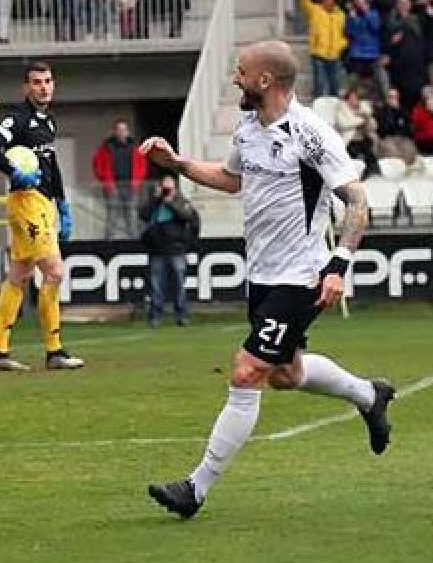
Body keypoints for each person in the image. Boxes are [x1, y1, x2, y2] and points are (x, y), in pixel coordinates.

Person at [140, 40, 396, 519]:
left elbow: (357, 202)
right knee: (285, 374)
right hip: (261, 273)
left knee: (246, 371)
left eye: (241, 72)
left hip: (302, 275)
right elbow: (231, 179)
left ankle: (195, 489)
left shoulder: (310, 133)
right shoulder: (247, 128)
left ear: (265, 81)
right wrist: (177, 163)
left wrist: (338, 264)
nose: (235, 78)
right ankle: (368, 394)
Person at [0, 61, 85, 372]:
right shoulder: (17, 119)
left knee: (20, 276)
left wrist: (63, 205)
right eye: (37, 82)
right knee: (54, 272)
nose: (44, 87)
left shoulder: (48, 122)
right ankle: (54, 351)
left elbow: (51, 166)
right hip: (26, 202)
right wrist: (16, 173)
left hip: (43, 203)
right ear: (26, 87)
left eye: (49, 81)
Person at [138, 174, 200, 327]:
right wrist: (157, 199)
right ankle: (155, 316)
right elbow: (143, 215)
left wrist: (170, 202)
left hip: (176, 249)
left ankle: (182, 315)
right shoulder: (155, 202)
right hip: (157, 250)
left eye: (169, 185)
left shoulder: (181, 201)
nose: (166, 188)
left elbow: (187, 216)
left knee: (179, 284)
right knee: (156, 285)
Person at [92, 118, 147, 239]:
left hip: (131, 186)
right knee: (112, 216)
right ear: (114, 131)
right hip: (113, 186)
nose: (122, 132)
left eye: (124, 129)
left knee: (131, 216)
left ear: (128, 132)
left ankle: (134, 242)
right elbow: (97, 165)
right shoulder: (106, 147)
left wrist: (136, 182)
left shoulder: (135, 147)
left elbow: (142, 166)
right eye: (119, 129)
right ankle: (108, 242)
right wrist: (105, 181)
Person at [299, 0, 346, 99]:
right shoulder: (316, 10)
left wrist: (341, 44)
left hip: (334, 53)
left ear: (334, 1)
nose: (327, 2)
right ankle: (317, 105)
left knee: (334, 83)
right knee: (319, 82)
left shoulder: (341, 15)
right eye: (325, 0)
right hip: (318, 52)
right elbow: (304, 3)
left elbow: (345, 33)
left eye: (329, 0)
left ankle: (334, 106)